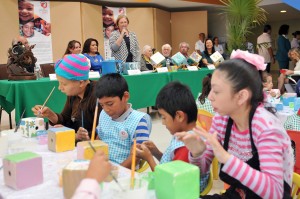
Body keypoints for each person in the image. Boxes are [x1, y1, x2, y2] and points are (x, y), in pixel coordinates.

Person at [176, 49, 293, 199]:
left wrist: (226, 158)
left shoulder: (266, 128)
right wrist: (197, 153)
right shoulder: (222, 119)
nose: (210, 96)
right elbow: (202, 171)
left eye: (216, 91)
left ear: (241, 96)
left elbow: (275, 193)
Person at [135, 81, 209, 193]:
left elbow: (169, 181)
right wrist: (156, 153)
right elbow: (172, 164)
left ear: (179, 116)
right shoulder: (188, 134)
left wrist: (149, 158)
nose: (163, 123)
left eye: (164, 117)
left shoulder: (186, 146)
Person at [32, 54, 101, 142]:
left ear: (81, 83)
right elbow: (65, 119)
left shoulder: (97, 96)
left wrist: (76, 136)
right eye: (59, 83)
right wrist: (50, 115)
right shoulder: (74, 94)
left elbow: (103, 132)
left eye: (64, 84)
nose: (60, 87)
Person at [95, 73, 151, 168]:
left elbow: (136, 156)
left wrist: (116, 171)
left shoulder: (139, 121)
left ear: (125, 96)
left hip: (124, 171)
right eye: (102, 105)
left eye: (110, 104)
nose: (106, 109)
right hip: (103, 165)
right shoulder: (103, 114)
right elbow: (98, 140)